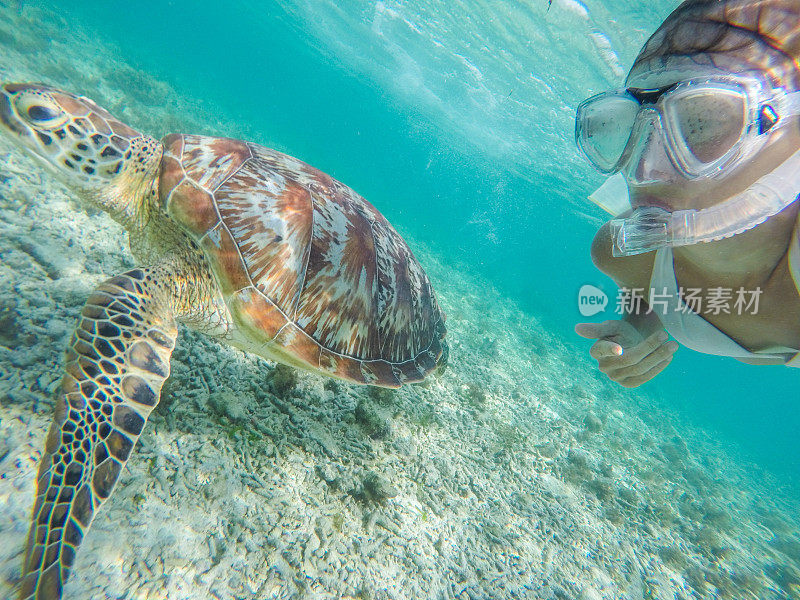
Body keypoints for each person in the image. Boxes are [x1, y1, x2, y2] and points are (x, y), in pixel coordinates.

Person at [574, 0, 800, 387]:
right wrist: (639, 326)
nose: (645, 168)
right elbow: (651, 296)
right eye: (625, 127)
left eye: (703, 123)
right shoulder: (623, 254)